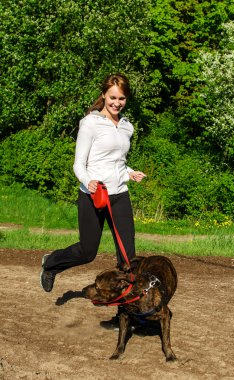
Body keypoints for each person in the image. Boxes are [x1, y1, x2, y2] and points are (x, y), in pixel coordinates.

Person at [40, 73, 146, 293]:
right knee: (87, 252)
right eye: (113, 97)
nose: (117, 103)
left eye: (122, 98)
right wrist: (88, 181)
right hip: (93, 195)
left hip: (119, 195)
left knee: (128, 255)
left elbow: (117, 161)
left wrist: (130, 172)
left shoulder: (127, 127)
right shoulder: (91, 123)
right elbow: (79, 164)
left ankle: (125, 307)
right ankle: (50, 263)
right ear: (104, 95)